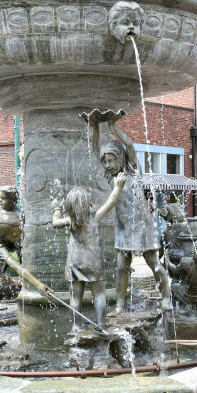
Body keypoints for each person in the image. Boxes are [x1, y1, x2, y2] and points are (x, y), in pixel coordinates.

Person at [85, 109, 171, 314]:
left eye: (111, 160)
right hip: (123, 227)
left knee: (154, 264)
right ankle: (121, 304)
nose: (108, 165)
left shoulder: (132, 170)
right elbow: (95, 149)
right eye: (105, 161)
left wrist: (113, 127)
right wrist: (95, 128)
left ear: (121, 158)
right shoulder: (110, 177)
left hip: (143, 225)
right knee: (122, 268)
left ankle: (166, 296)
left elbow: (130, 145)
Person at [52, 174, 127, 330]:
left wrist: (57, 209)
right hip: (94, 262)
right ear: (87, 204)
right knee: (99, 294)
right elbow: (111, 201)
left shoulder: (70, 221)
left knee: (75, 297)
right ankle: (100, 323)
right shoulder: (95, 217)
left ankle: (76, 326)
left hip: (75, 262)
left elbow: (55, 223)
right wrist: (118, 186)